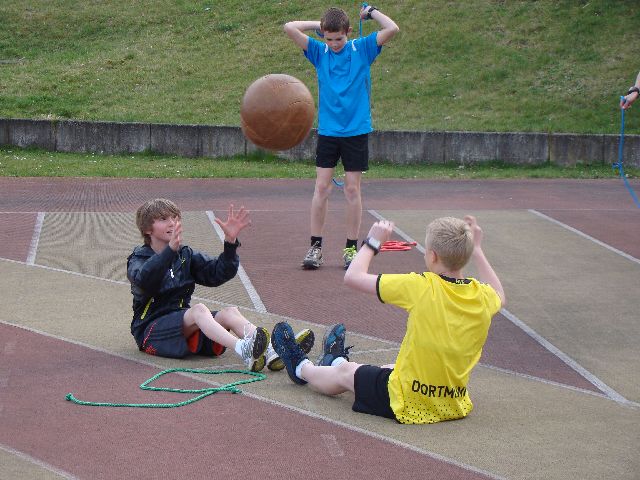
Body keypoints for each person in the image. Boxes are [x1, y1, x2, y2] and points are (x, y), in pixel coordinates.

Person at [272, 216, 505, 424]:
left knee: (347, 374)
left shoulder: (422, 286)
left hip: (407, 401)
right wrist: (478, 250)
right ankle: (334, 360)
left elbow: (353, 277)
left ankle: (301, 368)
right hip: (452, 401)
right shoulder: (483, 295)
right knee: (392, 368)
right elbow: (500, 297)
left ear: (432, 256)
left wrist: (372, 242)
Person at [127, 198, 314, 372]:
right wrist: (169, 252)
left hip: (182, 323)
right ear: (147, 229)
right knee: (199, 310)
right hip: (150, 331)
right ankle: (243, 349)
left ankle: (275, 350)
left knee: (230, 312)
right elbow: (144, 281)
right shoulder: (138, 259)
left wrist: (230, 243)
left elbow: (217, 273)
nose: (171, 223)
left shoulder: (184, 255)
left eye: (175, 218)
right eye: (163, 219)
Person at [284, 6, 399, 270]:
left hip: (356, 131)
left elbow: (392, 28)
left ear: (348, 32)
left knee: (352, 189)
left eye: (339, 38)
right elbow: (289, 27)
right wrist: (320, 25)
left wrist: (371, 12)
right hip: (329, 131)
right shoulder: (318, 51)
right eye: (329, 38)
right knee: (321, 187)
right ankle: (315, 247)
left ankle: (350, 248)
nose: (334, 44)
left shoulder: (363, 48)